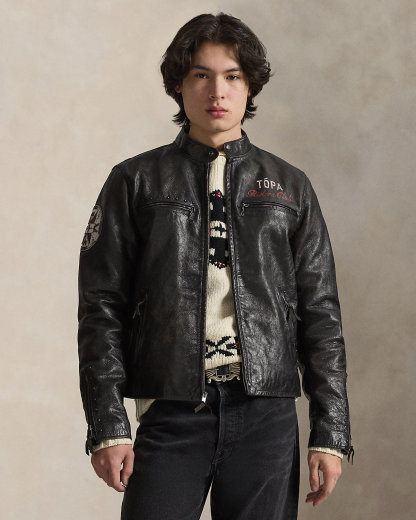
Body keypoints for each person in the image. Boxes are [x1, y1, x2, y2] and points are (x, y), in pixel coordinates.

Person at [77, 12, 354, 520]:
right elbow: (101, 308)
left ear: (250, 86)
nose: (217, 91)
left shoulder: (290, 187)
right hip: (172, 407)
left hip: (266, 414)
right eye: (200, 75)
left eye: (232, 76)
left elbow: (321, 314)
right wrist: (108, 425)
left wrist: (330, 432)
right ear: (179, 85)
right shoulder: (135, 181)